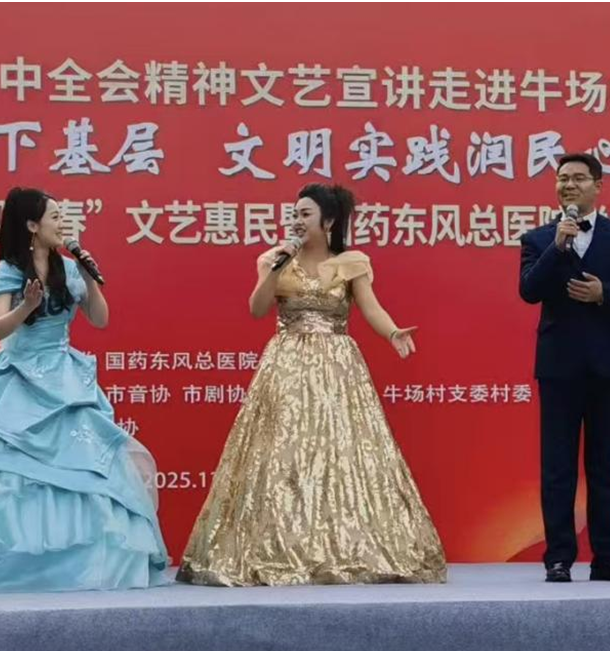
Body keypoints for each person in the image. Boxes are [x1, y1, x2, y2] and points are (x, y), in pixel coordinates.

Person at [178, 183, 446, 586]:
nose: (297, 220)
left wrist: (392, 332)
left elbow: (370, 307)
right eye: (295, 213)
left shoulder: (351, 262)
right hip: (286, 364)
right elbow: (257, 309)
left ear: (329, 221)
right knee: (283, 454)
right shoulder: (274, 259)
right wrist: (276, 269)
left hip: (338, 368)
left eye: (305, 214)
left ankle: (344, 547)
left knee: (341, 454)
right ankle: (278, 546)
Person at [0, 187, 169, 593]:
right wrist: (26, 307)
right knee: (11, 468)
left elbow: (100, 319)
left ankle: (82, 564)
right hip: (19, 375)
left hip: (66, 378)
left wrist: (89, 277)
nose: (61, 224)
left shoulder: (69, 268)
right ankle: (16, 561)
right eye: (54, 217)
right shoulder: (9, 270)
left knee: (86, 465)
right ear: (32, 225)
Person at [519, 153, 610, 582]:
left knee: (604, 468)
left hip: (607, 364)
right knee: (557, 467)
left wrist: (606, 294)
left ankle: (606, 558)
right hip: (558, 366)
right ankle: (559, 558)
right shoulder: (539, 238)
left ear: (598, 186)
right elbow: (529, 291)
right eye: (562, 178)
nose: (569, 185)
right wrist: (557, 247)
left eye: (579, 178)